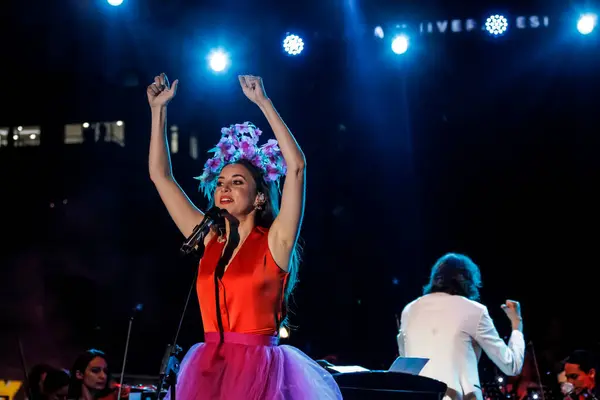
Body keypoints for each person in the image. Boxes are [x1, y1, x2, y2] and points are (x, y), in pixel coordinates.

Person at [147, 73, 341, 399]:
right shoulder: (209, 238)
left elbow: (296, 167)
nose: (224, 188)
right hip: (209, 367)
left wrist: (263, 103)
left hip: (259, 371)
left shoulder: (274, 241)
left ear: (260, 197)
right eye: (221, 182)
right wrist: (158, 111)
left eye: (237, 182)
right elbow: (160, 176)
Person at [396, 253, 525, 400]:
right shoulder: (475, 310)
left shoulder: (408, 310)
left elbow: (406, 361)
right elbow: (511, 366)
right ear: (468, 280)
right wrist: (517, 324)